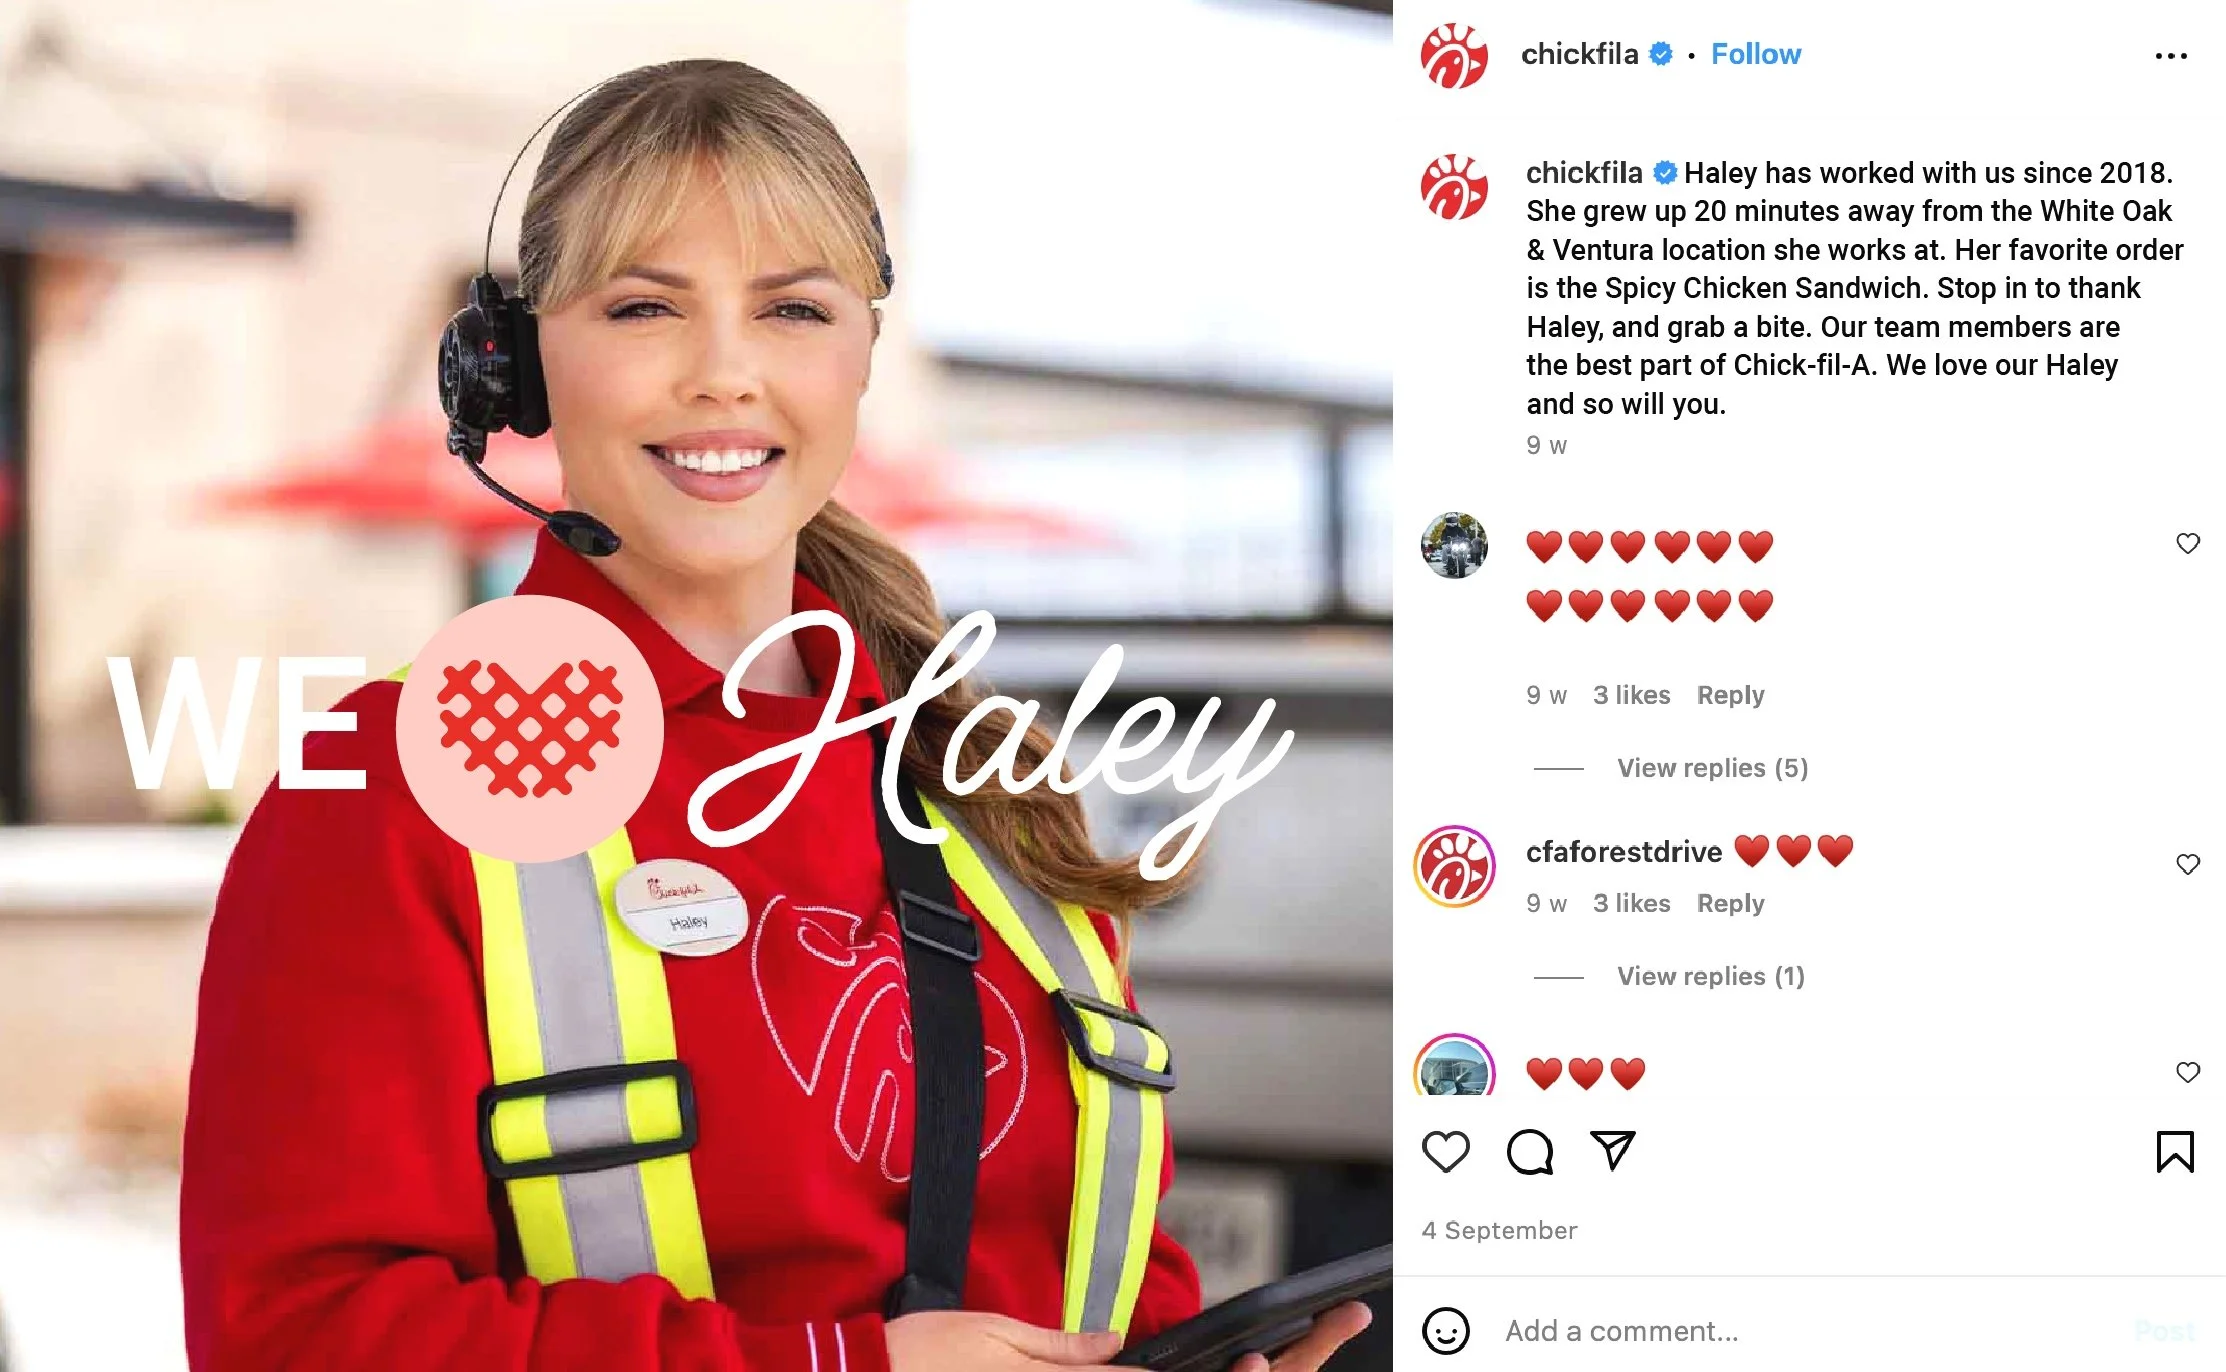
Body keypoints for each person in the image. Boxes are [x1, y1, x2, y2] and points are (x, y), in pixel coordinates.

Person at [177, 59, 1369, 1372]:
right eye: (644, 307)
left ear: (862, 357)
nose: (724, 376)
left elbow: (1097, 1273)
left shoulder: (985, 786)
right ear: (513, 369)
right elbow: (293, 1336)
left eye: (793, 309)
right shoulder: (394, 795)